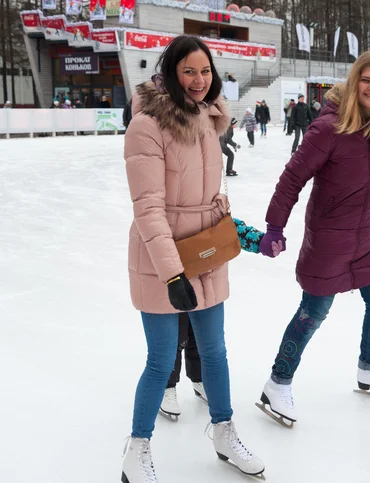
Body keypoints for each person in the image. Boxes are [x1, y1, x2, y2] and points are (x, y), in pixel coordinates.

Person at [122, 35, 265, 481]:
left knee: (215, 351)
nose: (199, 80)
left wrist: (231, 229)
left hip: (205, 252)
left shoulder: (208, 119)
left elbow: (207, 193)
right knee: (162, 359)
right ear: (171, 72)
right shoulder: (146, 126)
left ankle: (224, 433)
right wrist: (171, 273)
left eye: (205, 71)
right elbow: (147, 208)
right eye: (189, 71)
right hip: (161, 256)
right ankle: (136, 451)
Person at [256, 51, 370, 427]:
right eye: (367, 80)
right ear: (356, 83)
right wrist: (276, 226)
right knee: (313, 312)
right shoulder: (329, 129)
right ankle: (278, 382)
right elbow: (292, 178)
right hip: (330, 237)